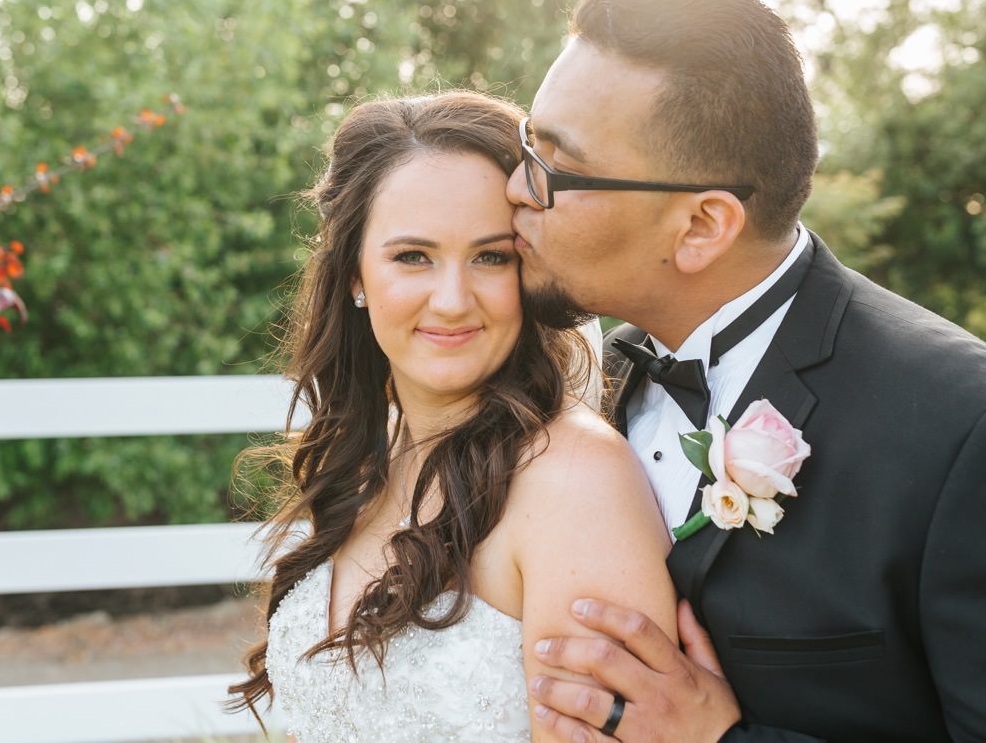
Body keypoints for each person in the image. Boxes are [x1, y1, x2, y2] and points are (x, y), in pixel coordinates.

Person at [509, 0, 986, 742]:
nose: (516, 189)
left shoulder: (979, 437)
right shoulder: (592, 383)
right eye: (525, 148)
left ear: (703, 226)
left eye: (555, 168)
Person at [226, 90, 677, 742]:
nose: (452, 299)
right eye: (413, 256)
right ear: (355, 273)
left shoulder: (574, 481)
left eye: (491, 257)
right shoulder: (366, 458)